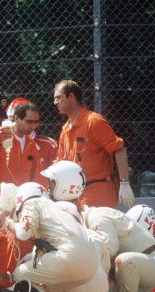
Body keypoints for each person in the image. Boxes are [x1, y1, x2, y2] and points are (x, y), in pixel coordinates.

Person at [3, 182, 98, 292]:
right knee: (50, 287)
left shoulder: (32, 203)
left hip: (69, 256)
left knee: (20, 274)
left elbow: (23, 232)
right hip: (91, 265)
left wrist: (7, 222)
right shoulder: (55, 208)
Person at [40, 161, 111, 292]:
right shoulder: (82, 216)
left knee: (30, 267)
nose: (48, 187)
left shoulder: (51, 210)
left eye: (52, 183)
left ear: (64, 185)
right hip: (100, 289)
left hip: (76, 290)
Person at [53, 80, 135, 209]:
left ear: (72, 97)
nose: (55, 102)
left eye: (58, 97)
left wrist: (124, 183)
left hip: (98, 192)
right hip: (75, 195)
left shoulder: (93, 121)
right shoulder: (65, 129)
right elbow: (61, 163)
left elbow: (119, 149)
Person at [82, 204, 155, 292]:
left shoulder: (97, 217)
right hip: (133, 267)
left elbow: (110, 248)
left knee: (124, 261)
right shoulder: (95, 215)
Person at [0, 99, 54, 191]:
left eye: (36, 122)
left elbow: (38, 172)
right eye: (29, 121)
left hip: (22, 195)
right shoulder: (1, 137)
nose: (33, 126)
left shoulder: (30, 143)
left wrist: (44, 191)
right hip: (2, 195)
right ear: (16, 119)